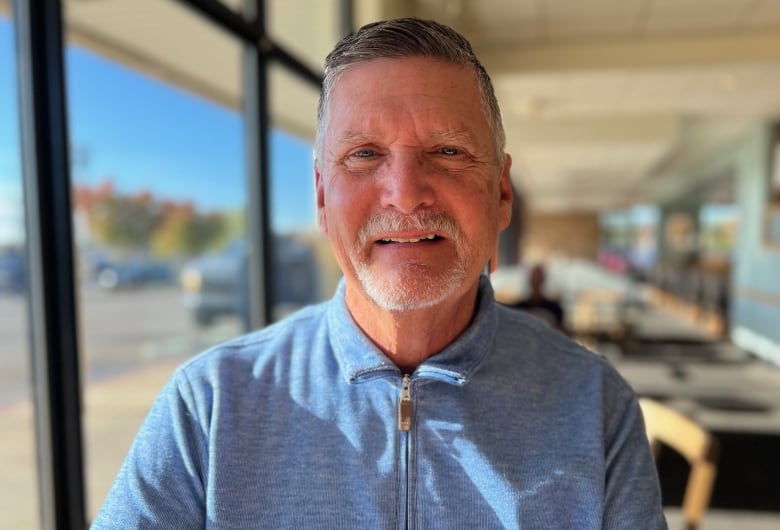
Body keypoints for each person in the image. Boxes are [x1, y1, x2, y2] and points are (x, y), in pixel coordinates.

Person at [92, 18, 666, 529]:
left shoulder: (594, 407)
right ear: (321, 195)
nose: (406, 194)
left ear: (502, 192)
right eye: (364, 154)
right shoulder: (212, 406)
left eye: (448, 151)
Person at [510, 263, 566, 332]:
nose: (536, 281)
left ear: (543, 280)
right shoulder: (519, 307)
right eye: (534, 278)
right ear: (530, 280)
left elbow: (560, 333)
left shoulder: (554, 308)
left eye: (538, 278)